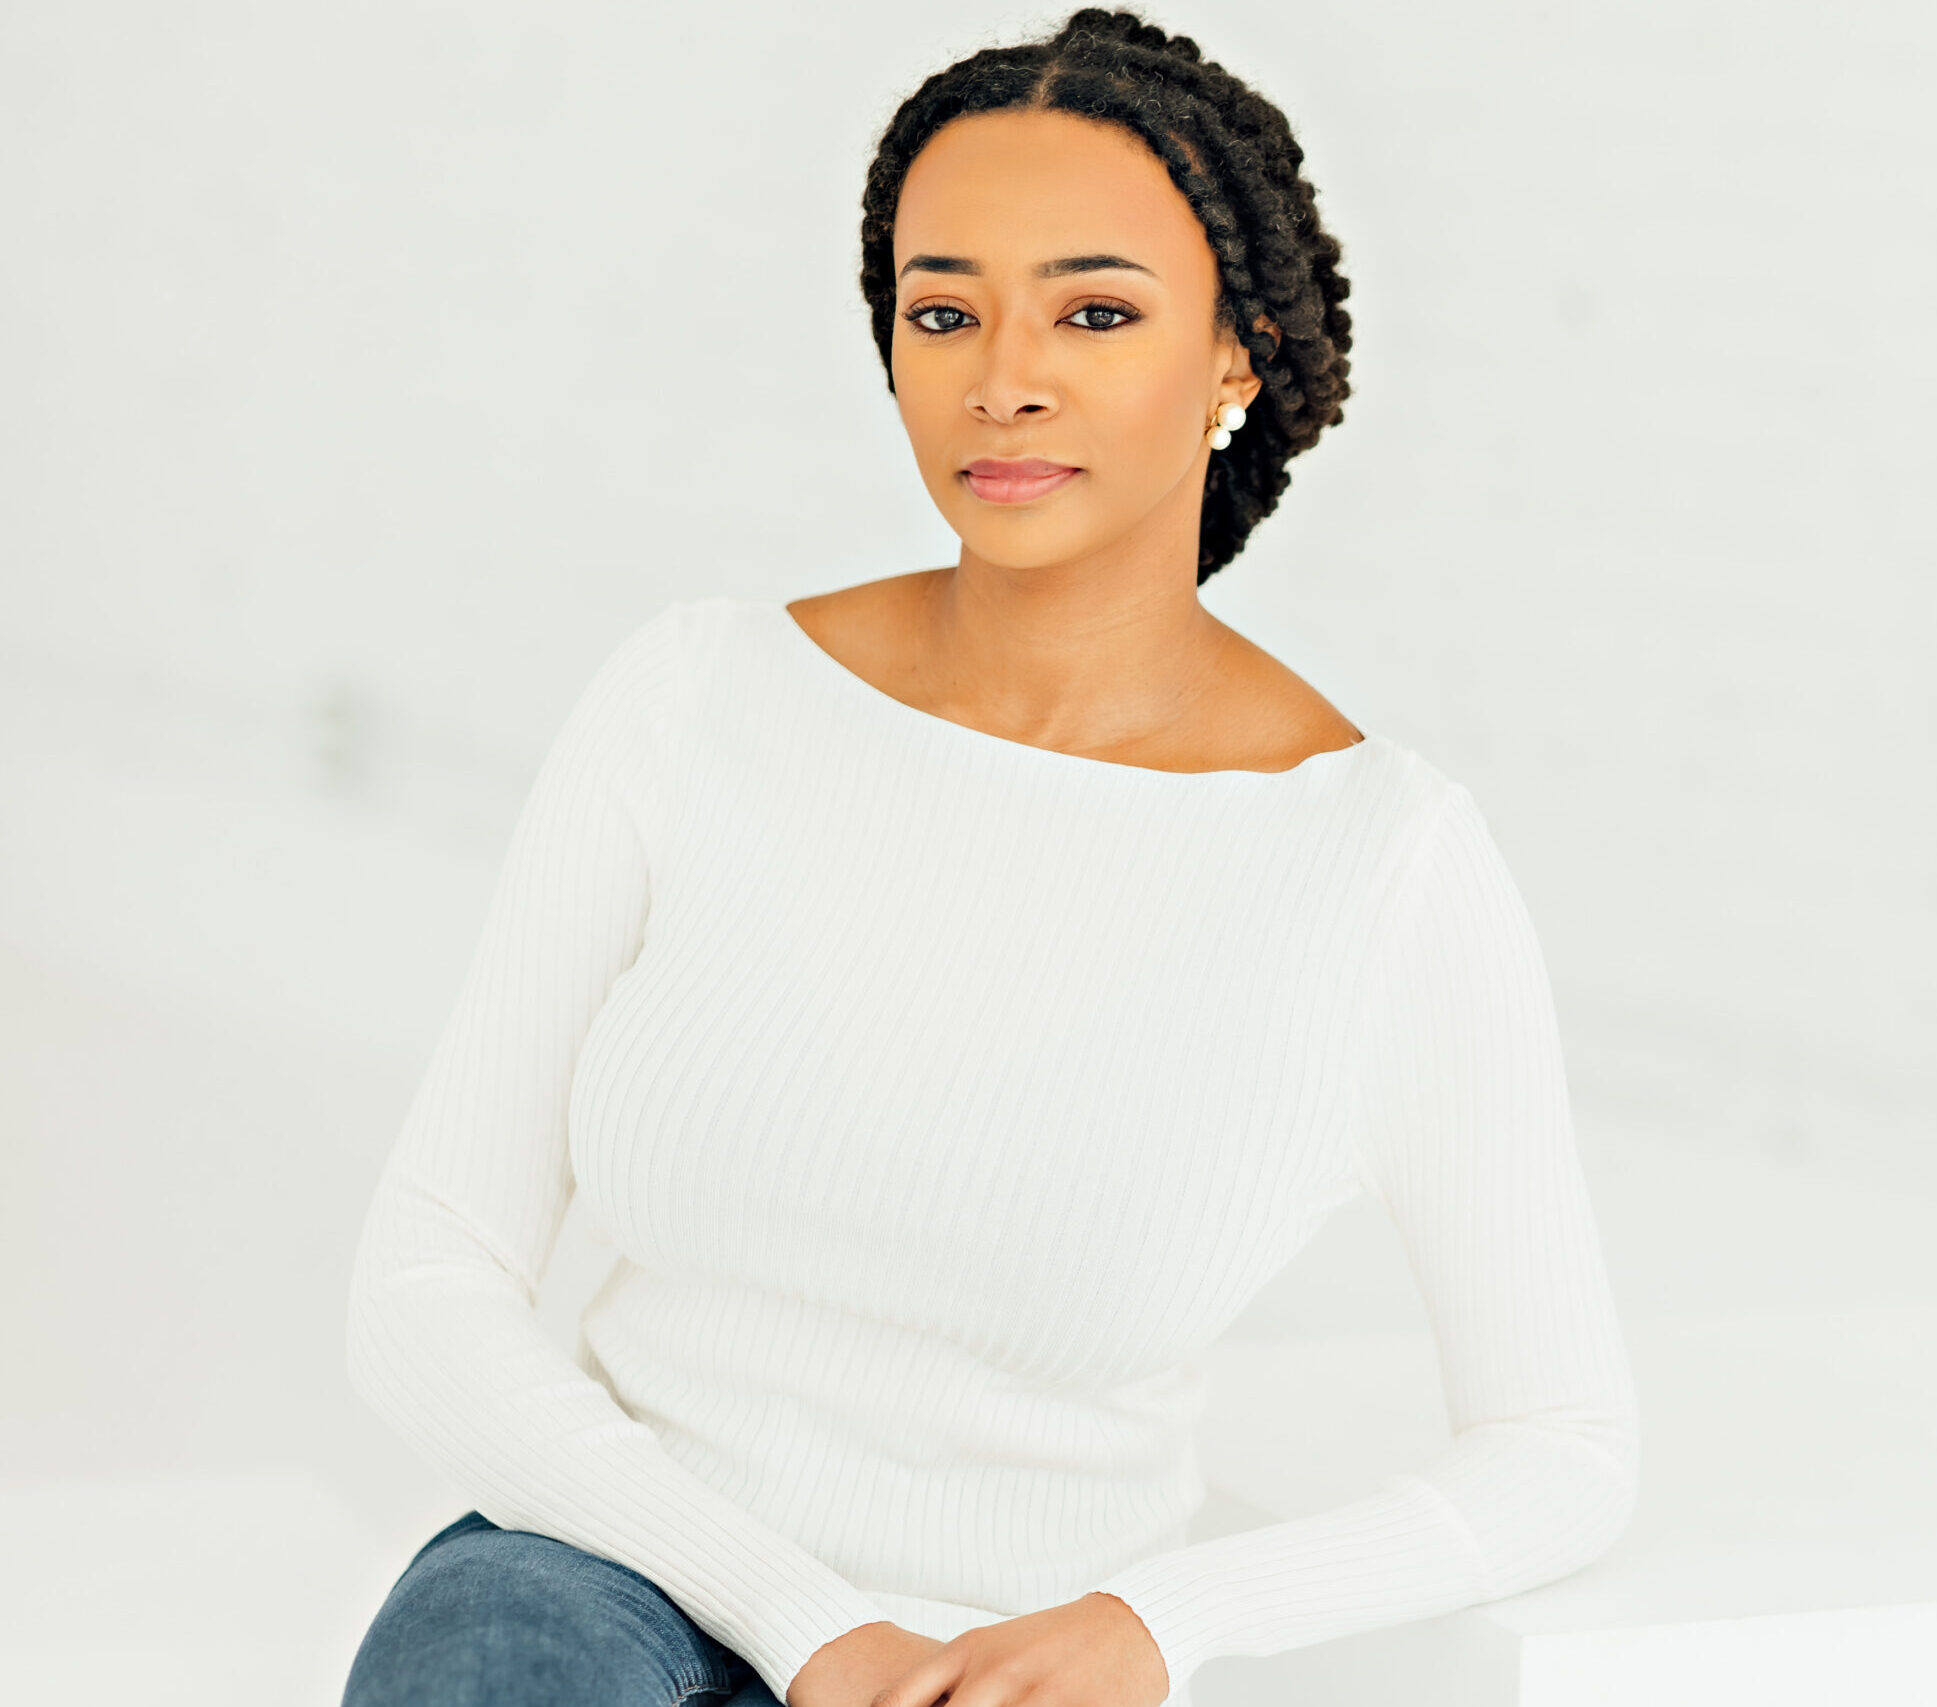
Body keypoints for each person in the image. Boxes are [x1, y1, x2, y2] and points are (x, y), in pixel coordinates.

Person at [338, 10, 1640, 1706]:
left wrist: (1164, 1623)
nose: (1001, 376)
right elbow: (425, 1285)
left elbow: (1562, 1446)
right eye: (943, 310)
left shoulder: (1379, 865)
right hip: (599, 1589)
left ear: (1238, 355)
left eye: (1096, 312)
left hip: (1023, 1658)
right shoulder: (696, 701)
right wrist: (808, 1628)